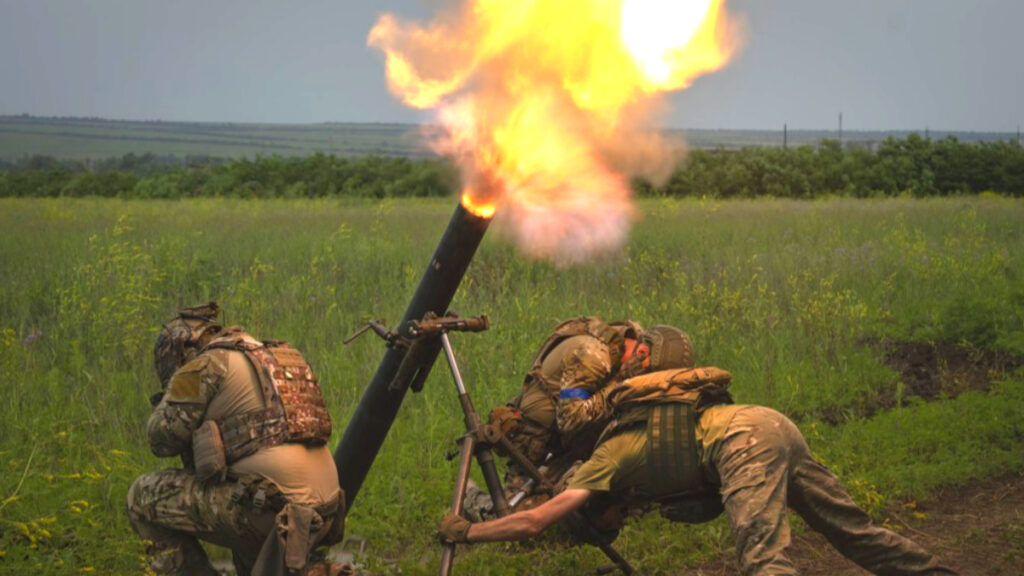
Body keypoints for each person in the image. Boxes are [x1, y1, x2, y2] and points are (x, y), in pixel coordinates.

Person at [440, 363, 958, 576]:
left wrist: (469, 531)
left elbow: (535, 520)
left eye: (607, 523)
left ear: (598, 505)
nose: (619, 522)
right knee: (853, 532)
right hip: (768, 424)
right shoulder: (623, 467)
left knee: (763, 560)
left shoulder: (602, 465)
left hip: (742, 444)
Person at [127, 303, 347, 576]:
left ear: (180, 353)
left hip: (272, 510)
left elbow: (161, 439)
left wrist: (166, 402)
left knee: (142, 496)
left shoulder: (204, 365)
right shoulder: (275, 356)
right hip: (326, 509)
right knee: (237, 488)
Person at [464, 318, 695, 520]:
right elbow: (571, 420)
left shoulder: (633, 345)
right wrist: (621, 384)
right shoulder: (593, 356)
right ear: (642, 354)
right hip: (541, 443)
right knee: (512, 519)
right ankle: (469, 496)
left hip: (574, 440)